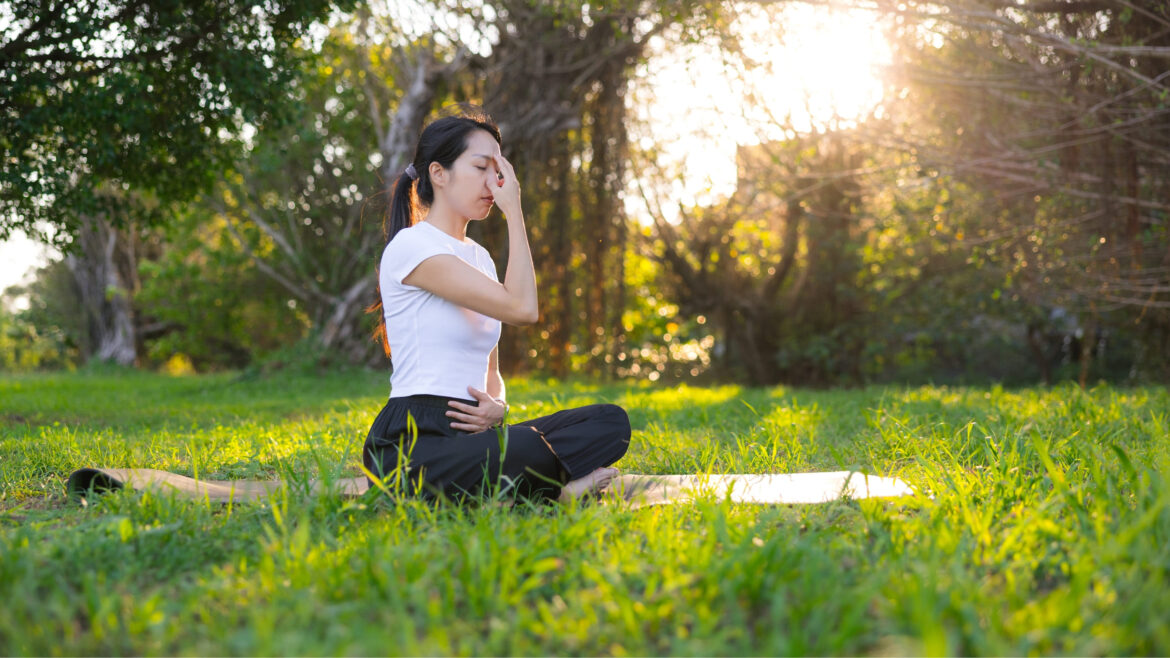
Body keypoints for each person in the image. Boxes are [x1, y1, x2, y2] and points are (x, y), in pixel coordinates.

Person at [362, 107, 631, 506]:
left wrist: (498, 406)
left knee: (610, 423)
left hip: (475, 438)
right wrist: (514, 211)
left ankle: (515, 490)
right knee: (522, 448)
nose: (496, 182)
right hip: (413, 442)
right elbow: (522, 308)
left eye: (499, 170)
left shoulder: (481, 259)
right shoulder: (412, 247)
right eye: (481, 167)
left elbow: (491, 370)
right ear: (439, 173)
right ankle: (554, 493)